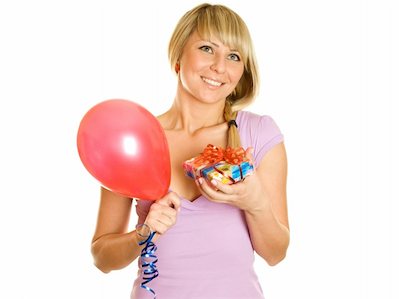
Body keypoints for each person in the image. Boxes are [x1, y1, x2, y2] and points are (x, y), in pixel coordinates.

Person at [91, 3, 290, 298]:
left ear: (241, 73)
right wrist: (142, 233)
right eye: (207, 48)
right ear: (178, 57)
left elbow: (276, 254)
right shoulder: (135, 139)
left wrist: (255, 202)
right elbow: (102, 258)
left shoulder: (258, 135)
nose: (220, 66)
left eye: (233, 56)